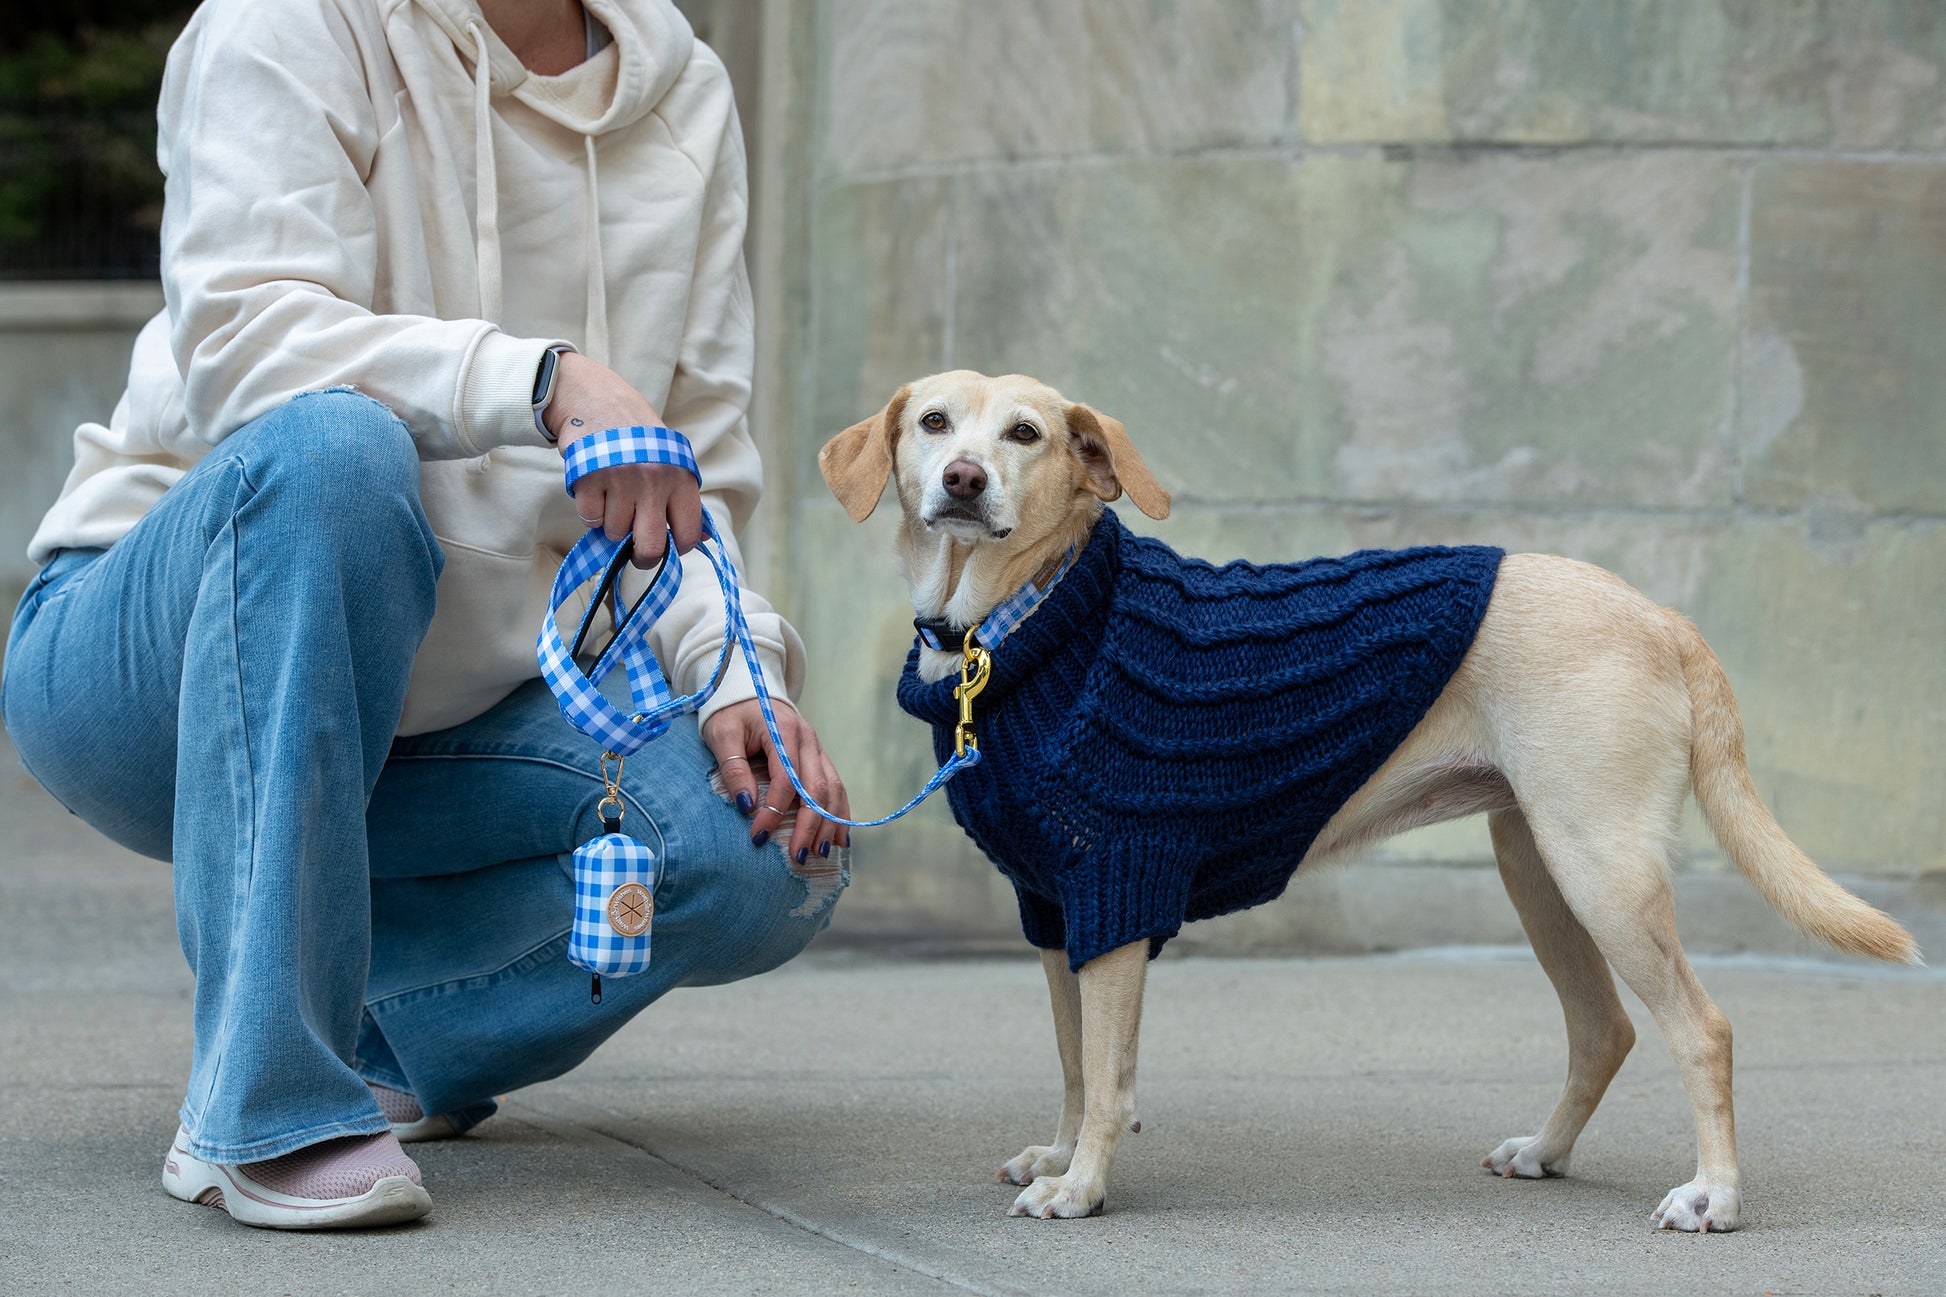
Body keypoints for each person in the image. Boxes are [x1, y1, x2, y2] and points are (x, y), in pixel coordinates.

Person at [1, 0, 853, 1230]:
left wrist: (737, 673)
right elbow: (241, 346)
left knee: (770, 847)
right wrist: (543, 379)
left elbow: (694, 460)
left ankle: (369, 1027)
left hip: (463, 708)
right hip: (159, 660)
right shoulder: (288, 23)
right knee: (333, 453)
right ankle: (261, 1103)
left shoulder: (682, 91)